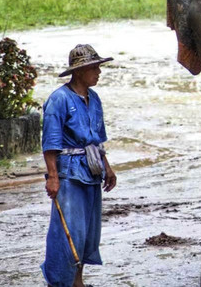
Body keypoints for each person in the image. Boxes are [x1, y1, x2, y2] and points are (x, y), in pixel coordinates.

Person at [41, 44, 117, 287]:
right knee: (68, 230)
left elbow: (97, 139)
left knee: (87, 232)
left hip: (91, 171)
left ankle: (78, 281)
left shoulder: (94, 99)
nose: (98, 72)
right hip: (69, 174)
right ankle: (60, 282)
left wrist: (107, 167)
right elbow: (50, 143)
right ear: (80, 71)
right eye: (94, 68)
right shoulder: (59, 100)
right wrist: (53, 176)